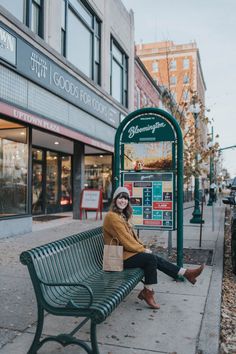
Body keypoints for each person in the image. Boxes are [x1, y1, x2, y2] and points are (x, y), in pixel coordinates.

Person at [103, 186, 204, 309]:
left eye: (125, 198)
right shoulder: (112, 217)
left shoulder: (121, 216)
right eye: (120, 198)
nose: (123, 201)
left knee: (151, 258)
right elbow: (126, 241)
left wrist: (143, 248)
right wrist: (142, 249)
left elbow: (131, 238)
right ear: (115, 199)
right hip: (118, 259)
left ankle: (178, 276)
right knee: (150, 259)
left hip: (126, 254)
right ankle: (178, 276)